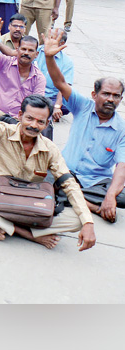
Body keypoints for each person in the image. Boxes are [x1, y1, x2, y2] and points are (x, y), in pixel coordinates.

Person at [0, 65, 96, 251]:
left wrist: (88, 223)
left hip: (29, 203)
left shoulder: (50, 149)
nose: (34, 125)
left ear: (47, 123)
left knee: (76, 220)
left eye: (41, 122)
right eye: (29, 119)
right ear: (19, 116)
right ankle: (25, 233)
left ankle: (2, 223)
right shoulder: (3, 132)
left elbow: (69, 184)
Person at [42, 30, 125, 222]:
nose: (110, 99)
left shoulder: (122, 129)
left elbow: (122, 167)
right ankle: (93, 207)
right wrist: (49, 57)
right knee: (42, 176)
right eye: (106, 94)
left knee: (121, 195)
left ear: (121, 99)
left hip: (95, 182)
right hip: (65, 172)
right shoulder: (82, 106)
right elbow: (60, 82)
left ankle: (66, 195)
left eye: (116, 96)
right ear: (94, 94)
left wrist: (111, 196)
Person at [0, 17, 45, 120]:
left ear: (36, 54)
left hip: (17, 119)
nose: (26, 53)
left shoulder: (39, 78)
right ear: (17, 50)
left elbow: (37, 105)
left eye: (30, 50)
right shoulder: (5, 62)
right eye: (23, 49)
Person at [34, 29, 73, 121]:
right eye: (49, 37)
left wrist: (57, 106)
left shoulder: (67, 62)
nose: (49, 41)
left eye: (54, 39)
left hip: (52, 97)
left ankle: (43, 110)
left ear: (62, 43)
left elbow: (63, 87)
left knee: (68, 105)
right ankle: (45, 112)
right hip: (32, 91)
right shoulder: (36, 51)